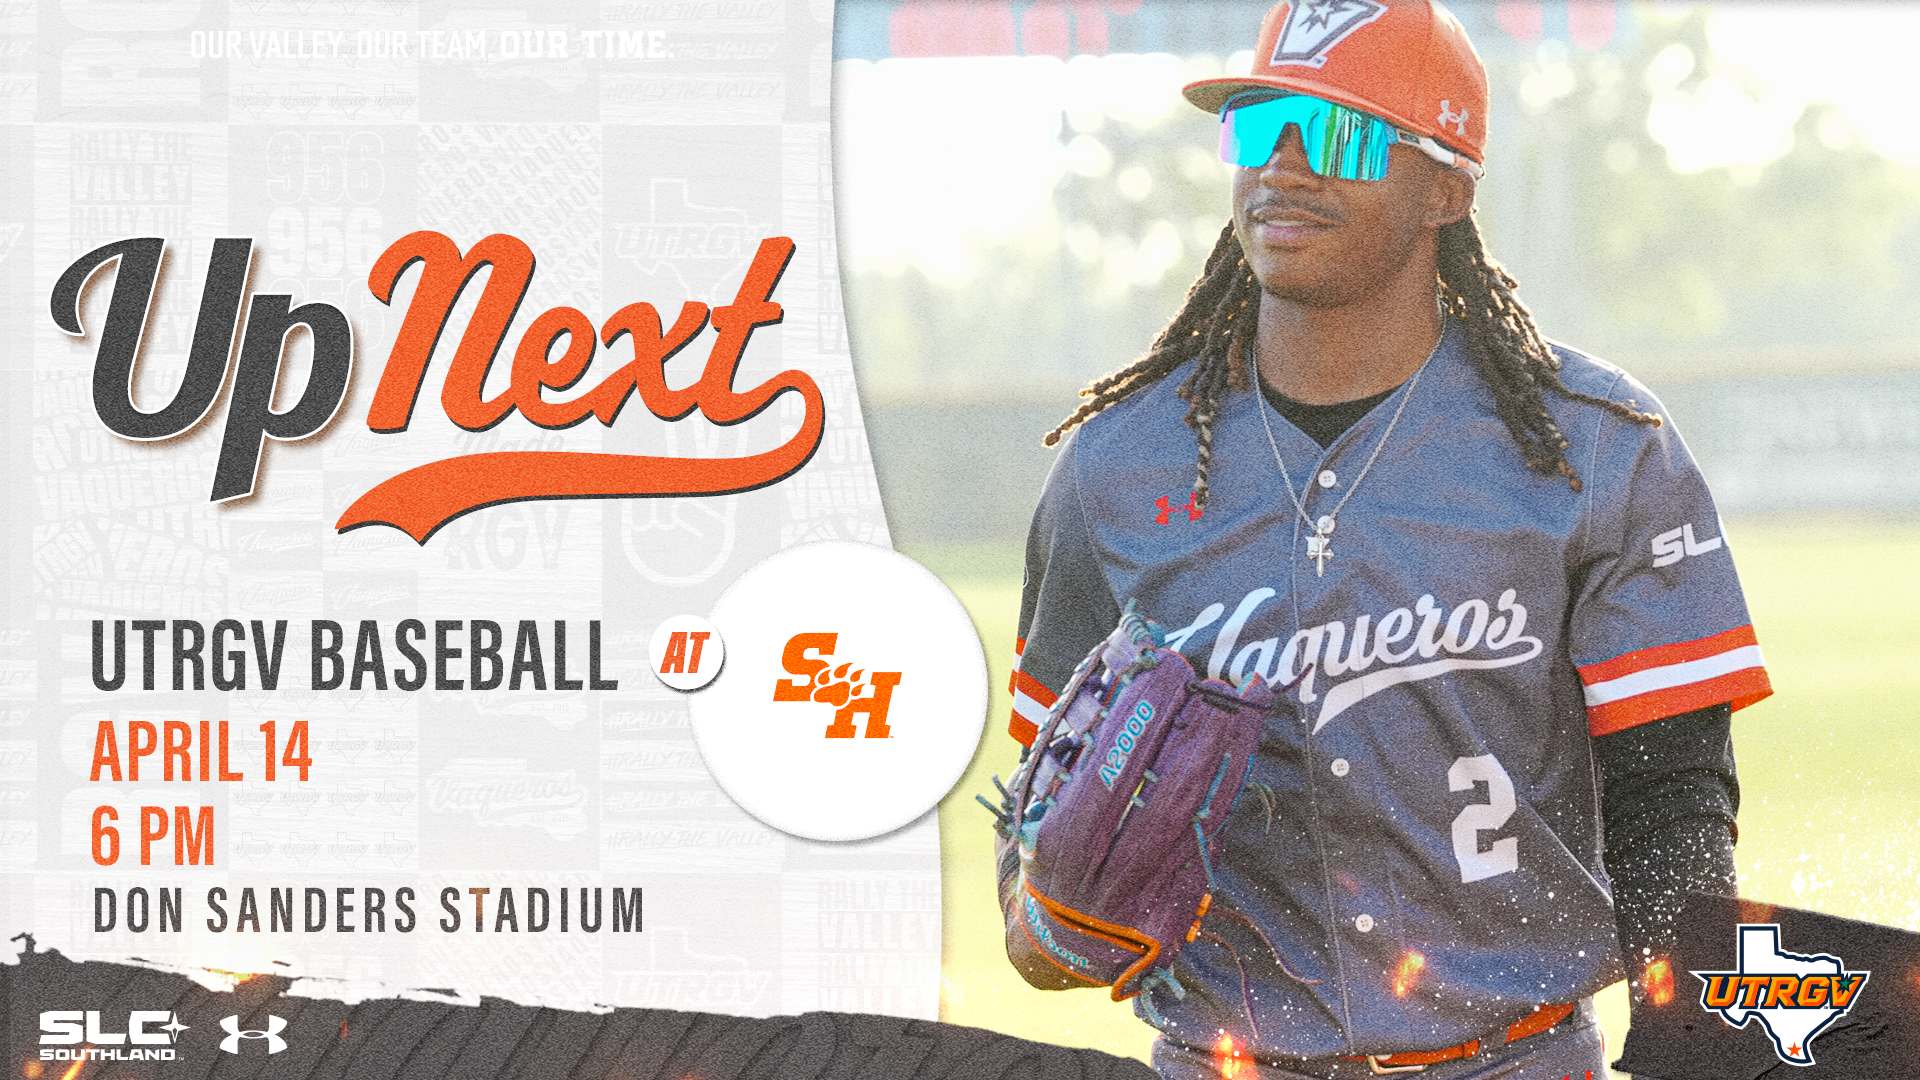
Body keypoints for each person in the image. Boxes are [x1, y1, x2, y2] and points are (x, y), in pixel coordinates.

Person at [999, 2, 1772, 1077]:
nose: (1286, 170)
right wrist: (1052, 910)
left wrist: (1707, 1046)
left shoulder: (1591, 451)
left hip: (1515, 1061)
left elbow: (1672, 799)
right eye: (1262, 131)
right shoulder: (1115, 471)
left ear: (1446, 190)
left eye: (1343, 138)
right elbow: (1034, 841)